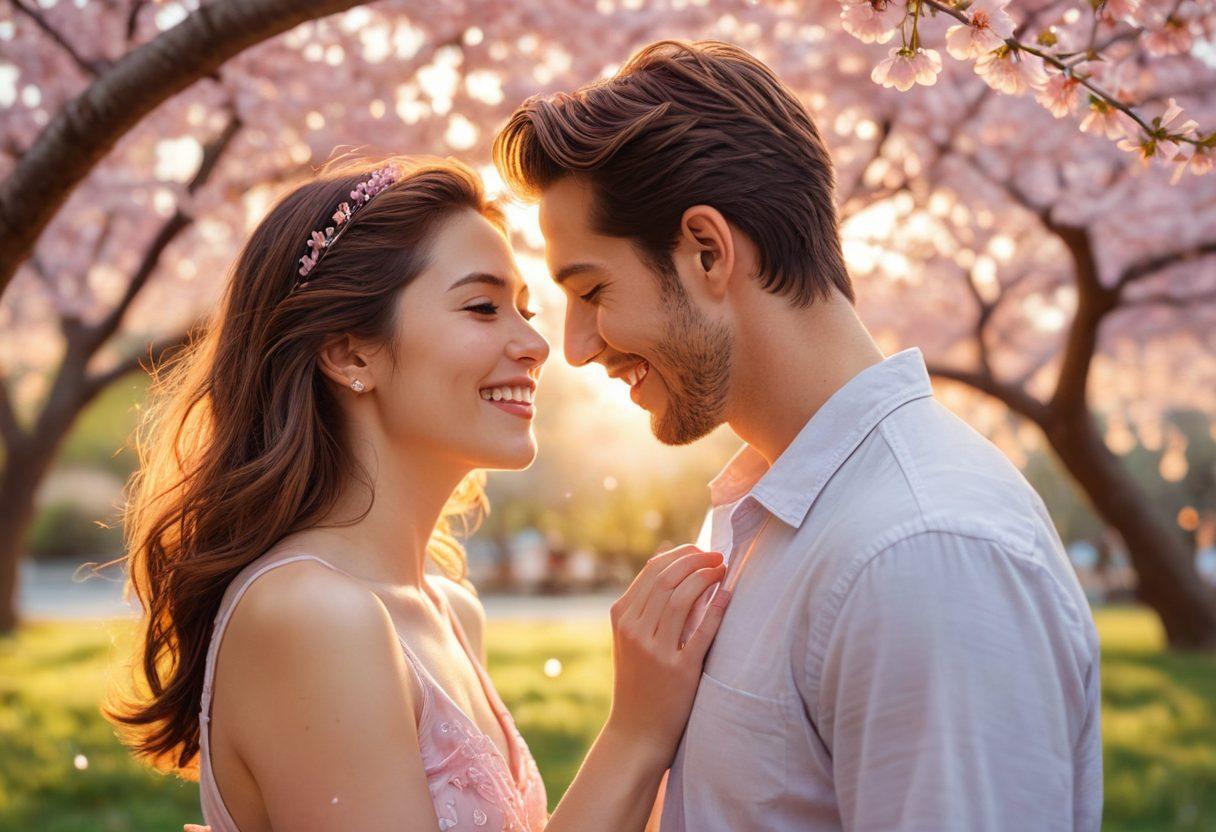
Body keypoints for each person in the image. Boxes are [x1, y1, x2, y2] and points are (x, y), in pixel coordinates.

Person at [493, 39, 1103, 831]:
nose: (574, 347)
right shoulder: (775, 513)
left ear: (707, 251)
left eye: (593, 290)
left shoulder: (921, 552)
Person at [107, 157, 729, 832]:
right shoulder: (309, 615)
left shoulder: (452, 612)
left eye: (523, 310)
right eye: (482, 307)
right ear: (350, 354)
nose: (534, 345)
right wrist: (634, 736)